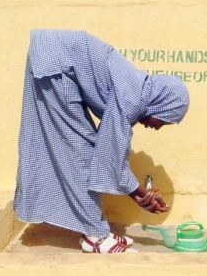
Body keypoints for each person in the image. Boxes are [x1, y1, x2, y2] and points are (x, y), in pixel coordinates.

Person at [13, 29, 190, 253]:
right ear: (161, 103)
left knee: (83, 149)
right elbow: (107, 156)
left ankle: (95, 229)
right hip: (55, 64)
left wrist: (137, 193)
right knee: (83, 153)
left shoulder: (135, 91)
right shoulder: (131, 99)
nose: (157, 126)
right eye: (163, 120)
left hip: (53, 59)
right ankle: (94, 236)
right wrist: (138, 193)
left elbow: (114, 150)